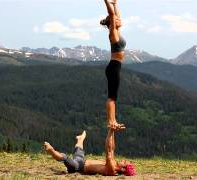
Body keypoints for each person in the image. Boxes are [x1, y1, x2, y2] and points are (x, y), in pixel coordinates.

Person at [43, 130, 135, 176]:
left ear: (123, 169)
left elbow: (109, 150)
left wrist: (111, 131)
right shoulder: (114, 163)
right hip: (82, 161)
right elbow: (112, 147)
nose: (123, 160)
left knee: (65, 158)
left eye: (125, 162)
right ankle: (80, 139)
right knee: (79, 151)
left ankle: (51, 151)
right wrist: (113, 131)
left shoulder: (112, 169)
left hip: (78, 167)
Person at [100, 0, 126, 130]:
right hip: (114, 67)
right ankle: (111, 121)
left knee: (114, 97)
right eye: (116, 20)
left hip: (115, 67)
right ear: (112, 23)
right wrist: (106, 2)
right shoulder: (113, 33)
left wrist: (115, 4)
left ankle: (113, 120)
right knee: (112, 97)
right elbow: (111, 14)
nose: (119, 20)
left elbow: (116, 15)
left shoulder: (117, 31)